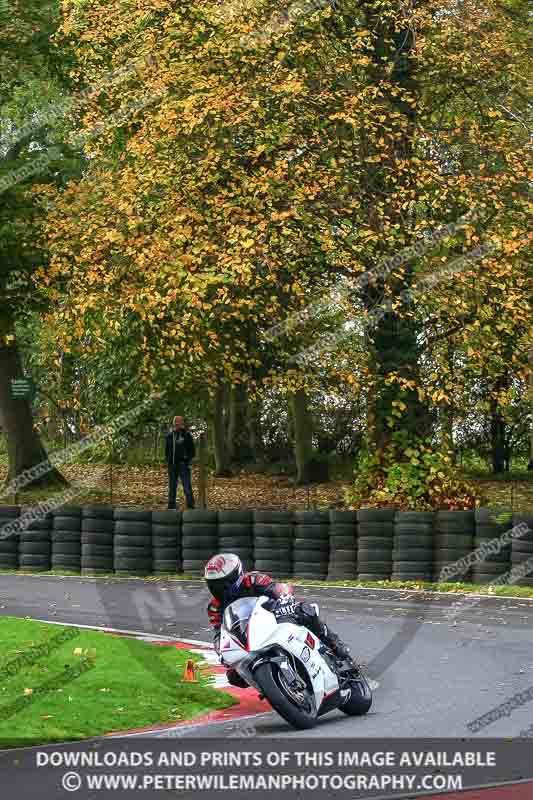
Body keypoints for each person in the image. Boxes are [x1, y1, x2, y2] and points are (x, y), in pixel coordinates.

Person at [204, 552, 357, 688]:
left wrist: (285, 599)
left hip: (274, 616)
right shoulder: (214, 607)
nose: (219, 589)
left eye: (223, 583)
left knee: (304, 610)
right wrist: (221, 652)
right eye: (214, 585)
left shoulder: (253, 579)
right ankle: (274, 687)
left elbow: (278, 588)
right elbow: (219, 633)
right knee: (234, 676)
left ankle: (335, 644)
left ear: (236, 576)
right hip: (248, 635)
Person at [165, 415, 195, 509]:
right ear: (173, 423)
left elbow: (192, 451)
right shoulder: (170, 436)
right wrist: (168, 462)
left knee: (187, 486)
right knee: (172, 487)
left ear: (182, 423)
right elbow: (166, 451)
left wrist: (187, 460)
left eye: (179, 422)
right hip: (172, 465)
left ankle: (190, 506)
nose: (177, 423)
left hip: (183, 465)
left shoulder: (187, 435)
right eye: (175, 422)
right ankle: (171, 506)